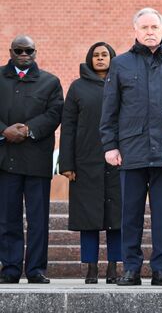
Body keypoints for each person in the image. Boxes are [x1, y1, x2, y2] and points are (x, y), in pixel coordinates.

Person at [100, 8, 162, 286]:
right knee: (130, 214)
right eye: (144, 27)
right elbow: (109, 110)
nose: (149, 31)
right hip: (131, 151)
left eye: (154, 26)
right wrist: (110, 145)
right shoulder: (121, 64)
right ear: (135, 30)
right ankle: (130, 268)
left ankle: (161, 269)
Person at [0, 35, 64, 284]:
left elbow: (55, 112)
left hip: (37, 161)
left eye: (29, 50)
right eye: (19, 50)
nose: (24, 54)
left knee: (38, 219)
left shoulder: (50, 82)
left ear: (36, 52)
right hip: (6, 160)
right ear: (11, 51)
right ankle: (10, 269)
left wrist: (27, 129)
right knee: (7, 217)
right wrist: (4, 131)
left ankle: (36, 269)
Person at [59, 42, 121, 284]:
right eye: (96, 55)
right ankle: (92, 268)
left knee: (117, 218)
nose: (100, 59)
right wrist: (67, 163)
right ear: (89, 58)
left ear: (112, 58)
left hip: (117, 161)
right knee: (88, 218)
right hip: (85, 163)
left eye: (104, 55)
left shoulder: (121, 82)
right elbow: (68, 127)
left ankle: (114, 267)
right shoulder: (77, 88)